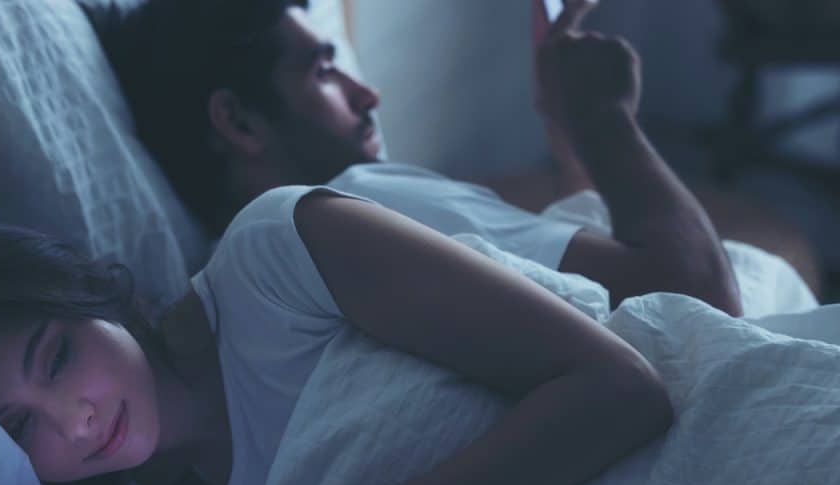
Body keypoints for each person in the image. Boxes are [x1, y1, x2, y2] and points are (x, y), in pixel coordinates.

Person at [0, 190, 671, 485]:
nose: (76, 421)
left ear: (89, 291)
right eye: (20, 426)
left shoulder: (275, 262)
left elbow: (621, 386)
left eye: (57, 358)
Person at [85, 0, 743, 316]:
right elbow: (699, 297)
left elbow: (575, 270)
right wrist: (606, 119)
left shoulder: (240, 290)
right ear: (237, 121)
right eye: (323, 71)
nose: (367, 93)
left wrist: (559, 123)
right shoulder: (359, 203)